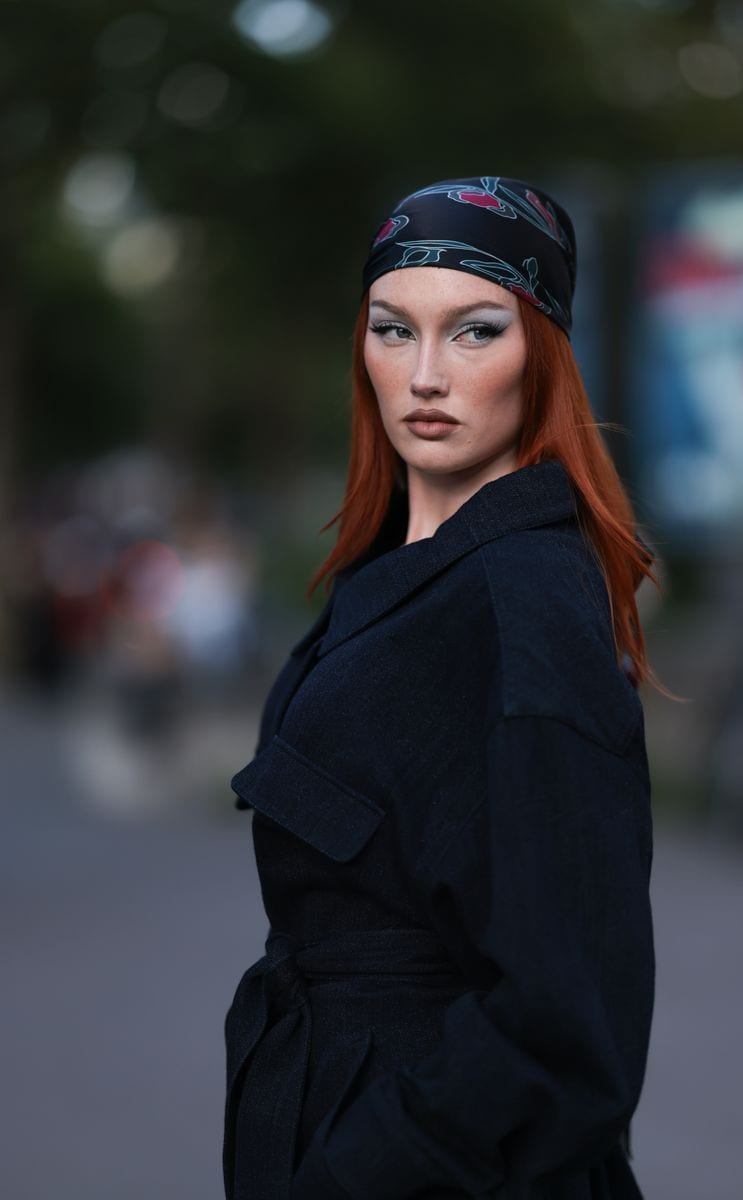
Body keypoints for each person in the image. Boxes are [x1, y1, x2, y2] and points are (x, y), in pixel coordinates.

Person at [222, 175, 662, 1200]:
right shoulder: (398, 577)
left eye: (474, 332)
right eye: (391, 329)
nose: (425, 374)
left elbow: (569, 1023)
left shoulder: (523, 606)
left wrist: (368, 1167)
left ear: (541, 354)